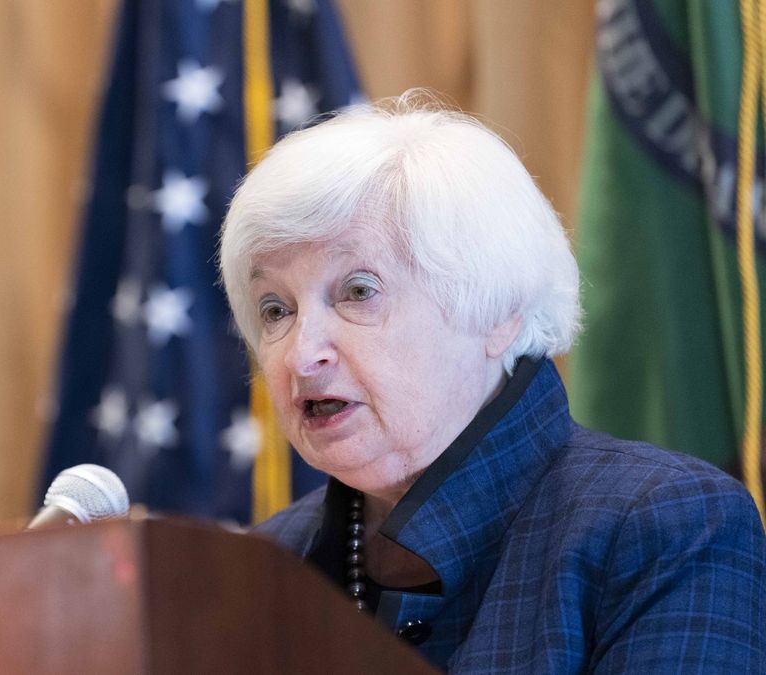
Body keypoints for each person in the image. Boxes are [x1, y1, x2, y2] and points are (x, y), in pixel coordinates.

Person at [218, 91, 766, 673]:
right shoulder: (261, 565)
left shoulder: (667, 527)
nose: (302, 355)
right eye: (275, 309)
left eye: (358, 291)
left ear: (498, 311)